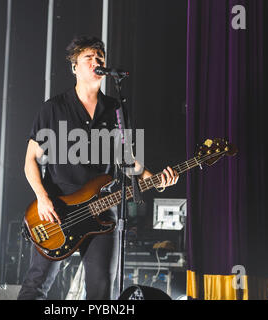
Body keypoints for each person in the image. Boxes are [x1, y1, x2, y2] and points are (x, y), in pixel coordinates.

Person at [17, 35, 179, 300]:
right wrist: (43, 199)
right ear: (74, 67)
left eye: (100, 57)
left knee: (103, 292)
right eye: (88, 58)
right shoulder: (53, 108)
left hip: (103, 208)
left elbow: (127, 160)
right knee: (36, 286)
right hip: (59, 209)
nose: (96, 62)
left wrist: (155, 177)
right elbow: (30, 161)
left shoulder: (116, 110)